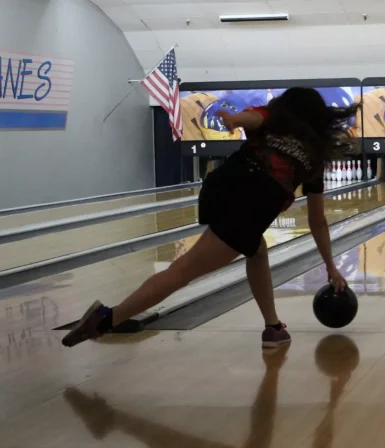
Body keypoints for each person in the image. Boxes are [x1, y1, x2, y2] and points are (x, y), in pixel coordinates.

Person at [62, 87, 358, 348]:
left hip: (221, 188)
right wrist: (331, 267)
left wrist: (235, 120)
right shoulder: (314, 156)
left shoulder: (271, 123)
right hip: (248, 207)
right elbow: (317, 220)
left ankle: (273, 327)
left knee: (256, 249)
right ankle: (106, 319)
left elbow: (252, 119)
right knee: (182, 273)